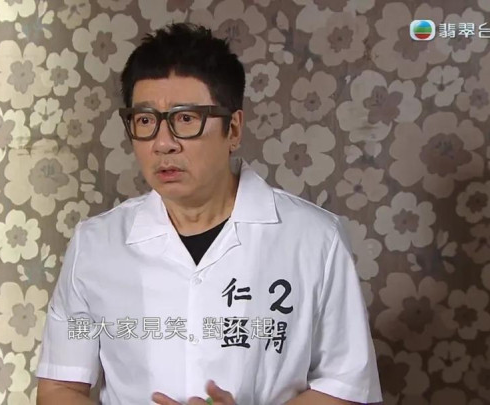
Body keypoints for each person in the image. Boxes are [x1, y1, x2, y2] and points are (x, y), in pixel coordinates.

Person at [36, 23, 382, 405]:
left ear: (233, 129)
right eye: (145, 121)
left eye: (186, 119)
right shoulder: (95, 244)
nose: (163, 144)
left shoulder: (315, 238)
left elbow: (346, 388)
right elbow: (59, 387)